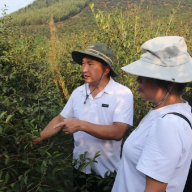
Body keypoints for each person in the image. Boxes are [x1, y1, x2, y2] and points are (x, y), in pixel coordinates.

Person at [33, 43, 134, 191]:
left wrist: (81, 125)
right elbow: (59, 119)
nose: (84, 69)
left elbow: (118, 132)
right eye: (83, 64)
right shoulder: (78, 92)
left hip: (107, 174)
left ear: (106, 69)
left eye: (91, 64)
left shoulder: (122, 94)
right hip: (80, 169)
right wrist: (37, 138)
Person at [112, 36, 192, 192]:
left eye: (144, 75)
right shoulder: (172, 110)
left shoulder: (169, 124)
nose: (138, 80)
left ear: (169, 82)